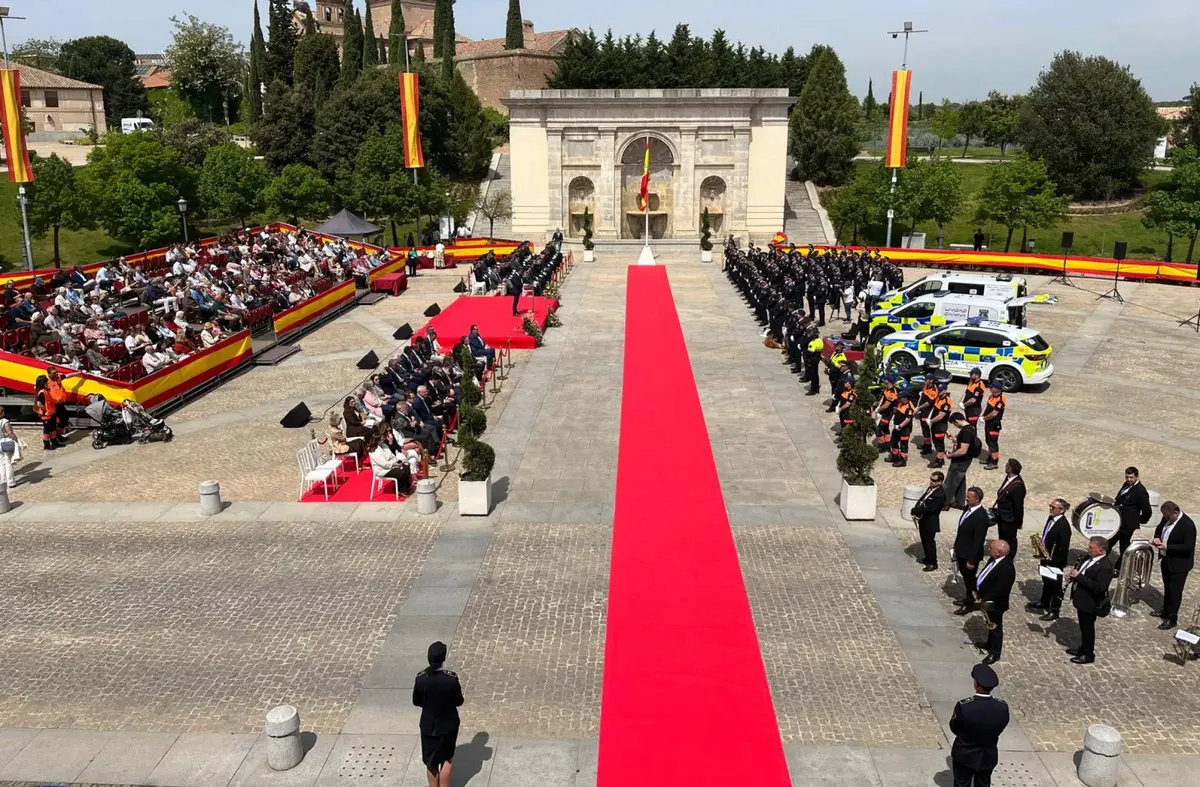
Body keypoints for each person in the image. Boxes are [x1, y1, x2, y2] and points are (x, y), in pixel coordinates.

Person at [949, 663, 1010, 787]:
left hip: (965, 755)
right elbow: (1001, 726)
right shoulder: (1002, 707)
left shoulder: (965, 706)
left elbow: (955, 728)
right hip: (987, 756)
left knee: (961, 783)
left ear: (976, 684)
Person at [413, 641, 464, 787]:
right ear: (443, 658)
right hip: (448, 725)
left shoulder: (421, 679)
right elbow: (459, 701)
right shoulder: (451, 679)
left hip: (429, 725)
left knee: (431, 763)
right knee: (447, 759)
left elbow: (416, 701)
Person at [1150, 501, 1196, 630]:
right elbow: (1159, 529)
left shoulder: (1187, 525)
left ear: (1175, 512)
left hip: (1179, 564)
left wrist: (1168, 546)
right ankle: (1165, 611)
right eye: (1164, 517)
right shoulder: (1167, 518)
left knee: (1175, 591)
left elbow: (1188, 547)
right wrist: (1157, 538)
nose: (1165, 519)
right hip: (1167, 560)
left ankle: (1172, 618)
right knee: (1167, 587)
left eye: (1167, 517)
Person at [1067, 536, 1113, 665]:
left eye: (1091, 548)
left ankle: (1088, 654)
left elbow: (1099, 587)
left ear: (1101, 550)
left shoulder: (1105, 566)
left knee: (1087, 628)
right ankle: (1083, 648)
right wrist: (1073, 576)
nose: (1088, 549)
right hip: (1082, 599)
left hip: (1090, 602)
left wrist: (1079, 577)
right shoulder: (1089, 558)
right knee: (1083, 627)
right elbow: (1082, 572)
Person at [1028, 498, 1072, 621]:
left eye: (1053, 507)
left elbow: (1063, 548)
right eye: (1050, 506)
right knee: (1046, 581)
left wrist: (1053, 562)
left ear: (1062, 510)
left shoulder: (1064, 526)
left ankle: (1054, 610)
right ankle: (1044, 601)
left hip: (1055, 561)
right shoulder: (1051, 518)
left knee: (1055, 587)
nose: (1050, 509)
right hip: (1045, 556)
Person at [974, 539, 1015, 664]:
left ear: (999, 552)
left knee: (995, 626)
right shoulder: (993, 559)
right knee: (989, 622)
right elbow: (985, 573)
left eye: (991, 548)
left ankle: (995, 653)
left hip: (995, 604)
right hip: (986, 599)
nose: (989, 549)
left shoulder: (1007, 568)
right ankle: (989, 643)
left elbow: (1000, 590)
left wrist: (983, 599)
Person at [1110, 466, 1152, 575]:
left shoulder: (1140, 491)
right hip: (1119, 521)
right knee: (1109, 542)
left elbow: (1147, 510)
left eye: (1131, 477)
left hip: (1128, 524)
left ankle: (1119, 568)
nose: (1128, 479)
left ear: (1137, 477)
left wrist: (1139, 520)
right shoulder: (1126, 485)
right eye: (1127, 477)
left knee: (1124, 547)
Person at [954, 488, 991, 613]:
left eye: (969, 497)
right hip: (961, 550)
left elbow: (978, 541)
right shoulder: (968, 509)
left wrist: (972, 560)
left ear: (977, 499)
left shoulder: (981, 517)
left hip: (969, 555)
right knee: (966, 578)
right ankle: (968, 598)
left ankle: (970, 602)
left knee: (970, 580)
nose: (966, 499)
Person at [912, 470, 946, 571]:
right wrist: (916, 508)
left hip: (930, 522)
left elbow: (931, 508)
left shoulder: (940, 494)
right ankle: (927, 558)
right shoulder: (931, 489)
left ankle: (933, 562)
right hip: (923, 520)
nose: (931, 481)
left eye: (934, 480)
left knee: (929, 543)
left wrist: (918, 510)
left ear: (940, 482)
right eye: (931, 479)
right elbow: (923, 499)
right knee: (924, 540)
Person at [943, 413, 978, 510]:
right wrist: (955, 440)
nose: (955, 426)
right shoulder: (971, 428)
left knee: (950, 482)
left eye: (954, 424)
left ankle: (944, 503)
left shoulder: (966, 432)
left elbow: (963, 450)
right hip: (965, 461)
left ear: (956, 421)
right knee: (960, 480)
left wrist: (950, 455)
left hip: (961, 461)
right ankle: (959, 502)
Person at [992, 459, 1026, 557]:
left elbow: (1018, 507)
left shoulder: (1017, 486)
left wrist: (1018, 522)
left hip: (1010, 520)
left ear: (1010, 469)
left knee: (1010, 540)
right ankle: (1002, 554)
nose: (1005, 467)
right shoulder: (1008, 479)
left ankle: (1010, 557)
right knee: (1002, 538)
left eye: (1007, 465)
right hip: (1002, 517)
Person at [980, 384, 1006, 470]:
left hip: (994, 424)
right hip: (988, 423)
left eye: (992, 387)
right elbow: (987, 406)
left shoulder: (1001, 400)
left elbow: (994, 413)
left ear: (998, 389)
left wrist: (984, 418)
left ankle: (994, 462)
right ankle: (989, 458)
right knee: (988, 441)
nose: (990, 389)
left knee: (993, 443)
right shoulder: (992, 396)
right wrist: (982, 415)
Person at [33, 375, 59, 452]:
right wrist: (46, 409)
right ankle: (47, 445)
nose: (48, 383)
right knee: (47, 430)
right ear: (43, 382)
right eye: (46, 381)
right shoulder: (42, 392)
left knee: (52, 428)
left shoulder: (45, 390)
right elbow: (39, 404)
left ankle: (54, 442)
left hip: (51, 413)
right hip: (46, 414)